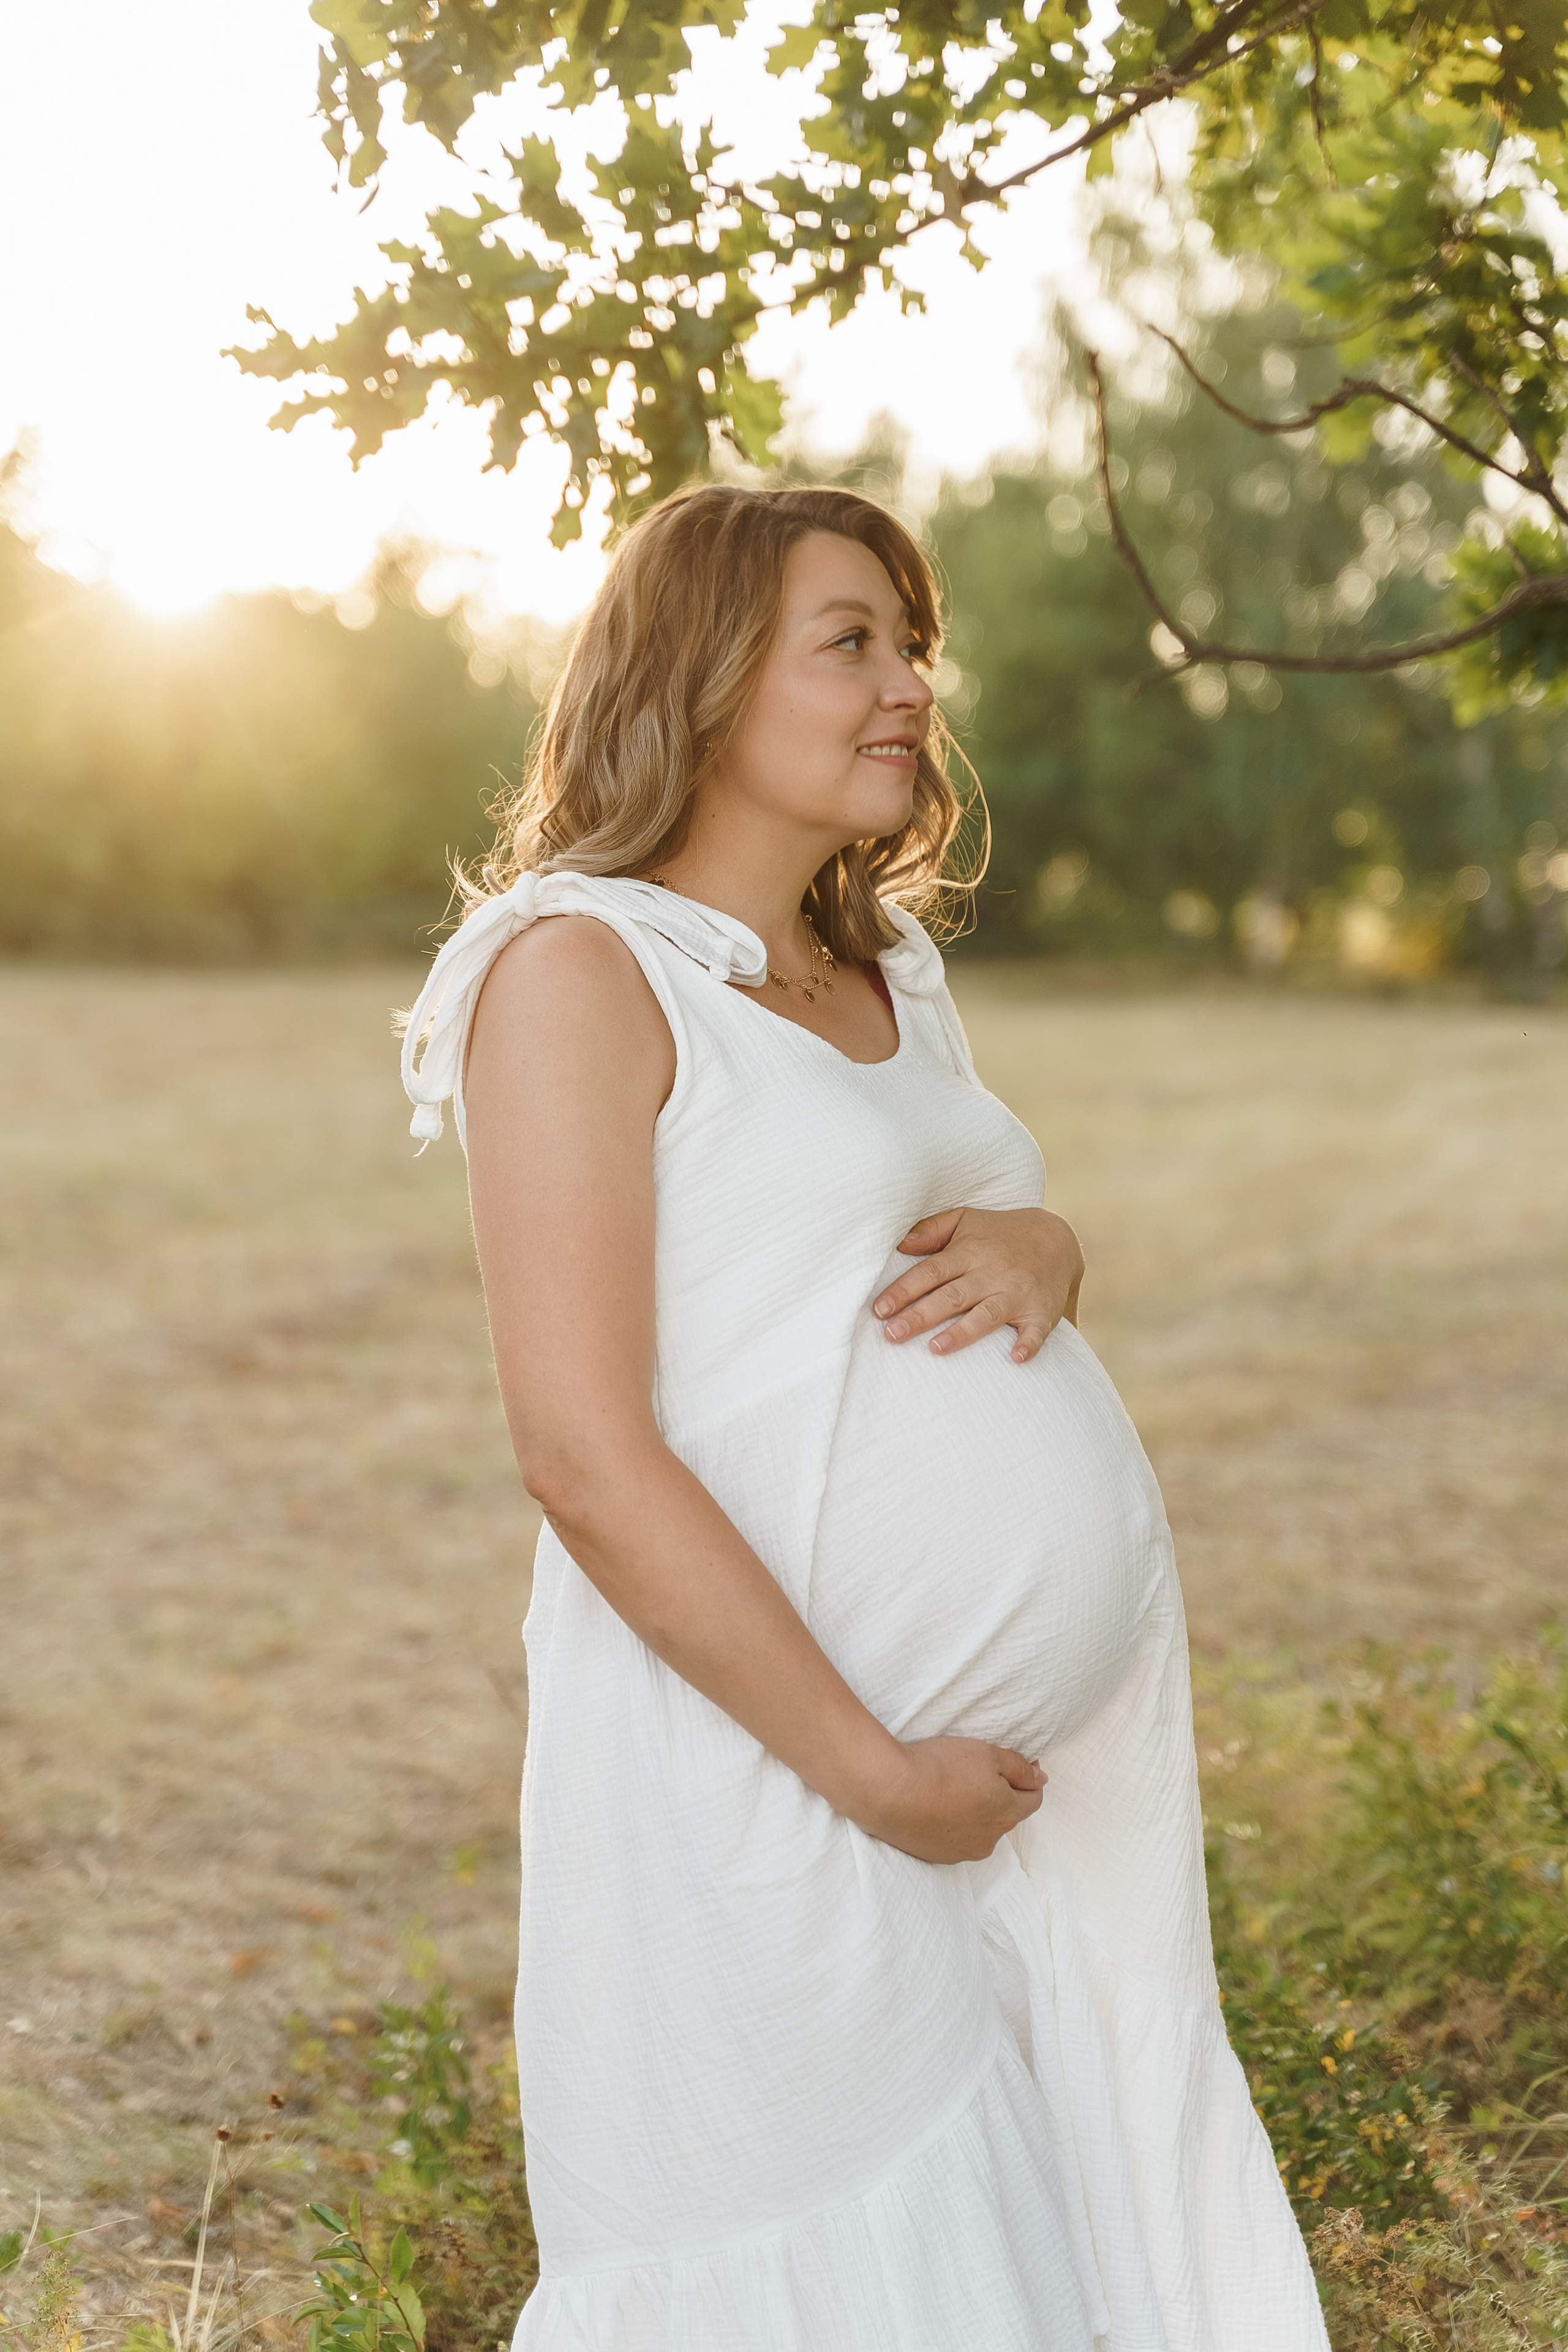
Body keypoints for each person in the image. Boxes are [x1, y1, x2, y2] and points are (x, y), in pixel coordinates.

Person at [401, 482, 1328, 2351]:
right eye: (856, 643)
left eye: (917, 644)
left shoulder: (885, 967)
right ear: (709, 676)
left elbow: (912, 1238)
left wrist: (1050, 1242)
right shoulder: (577, 973)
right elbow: (581, 1452)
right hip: (769, 1766)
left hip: (1024, 1821)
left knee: (1039, 2247)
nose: (912, 684)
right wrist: (872, 1772)